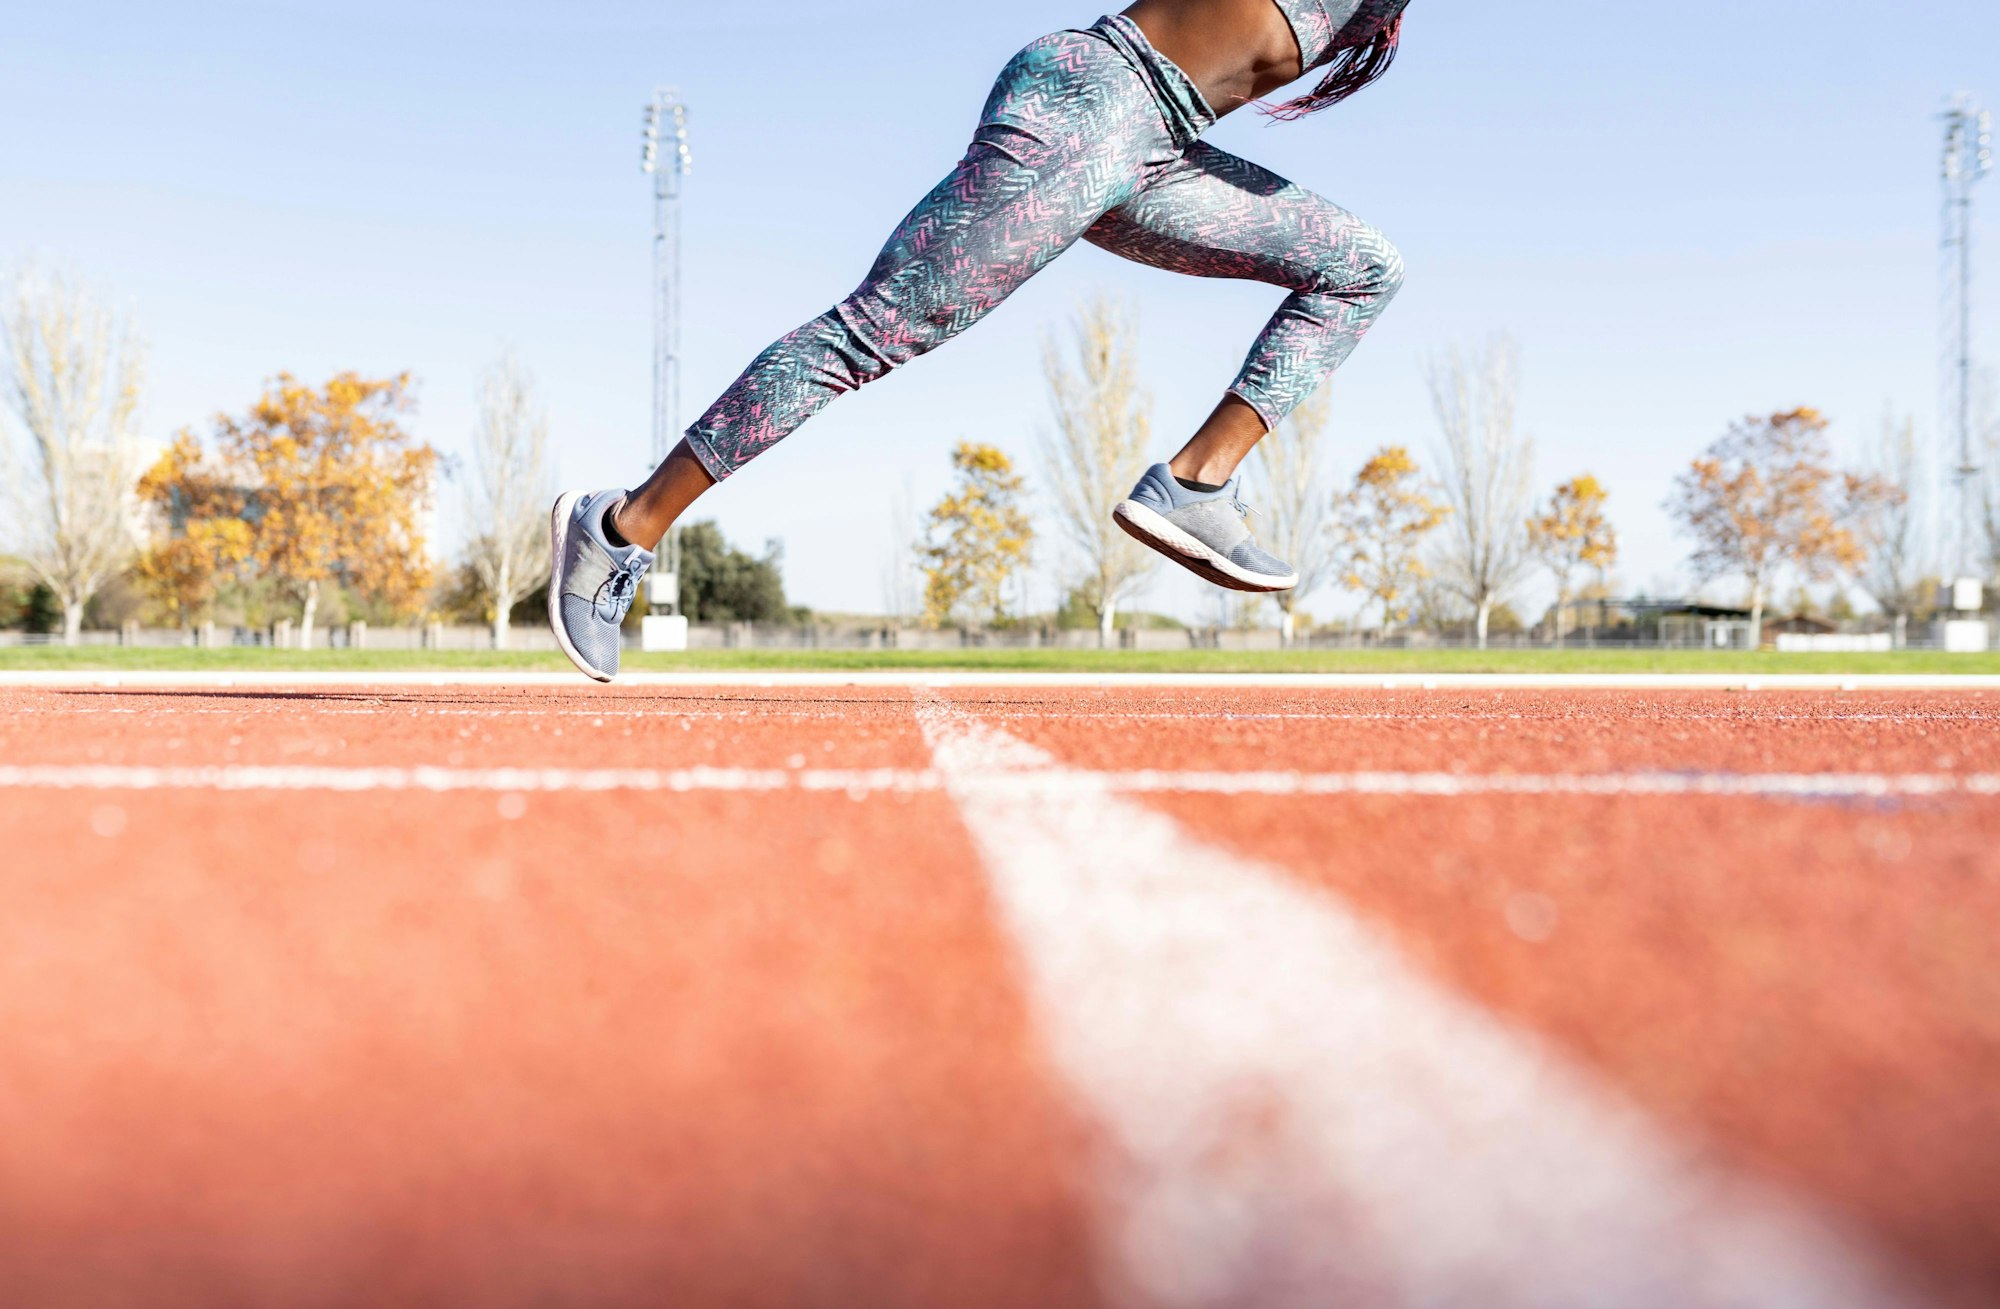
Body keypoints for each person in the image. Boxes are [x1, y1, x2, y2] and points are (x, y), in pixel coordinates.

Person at [549, 0, 1410, 681]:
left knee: (1361, 266)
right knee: (869, 333)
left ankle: (1194, 482)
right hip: (1096, 100)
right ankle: (618, 528)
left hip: (1157, 146)